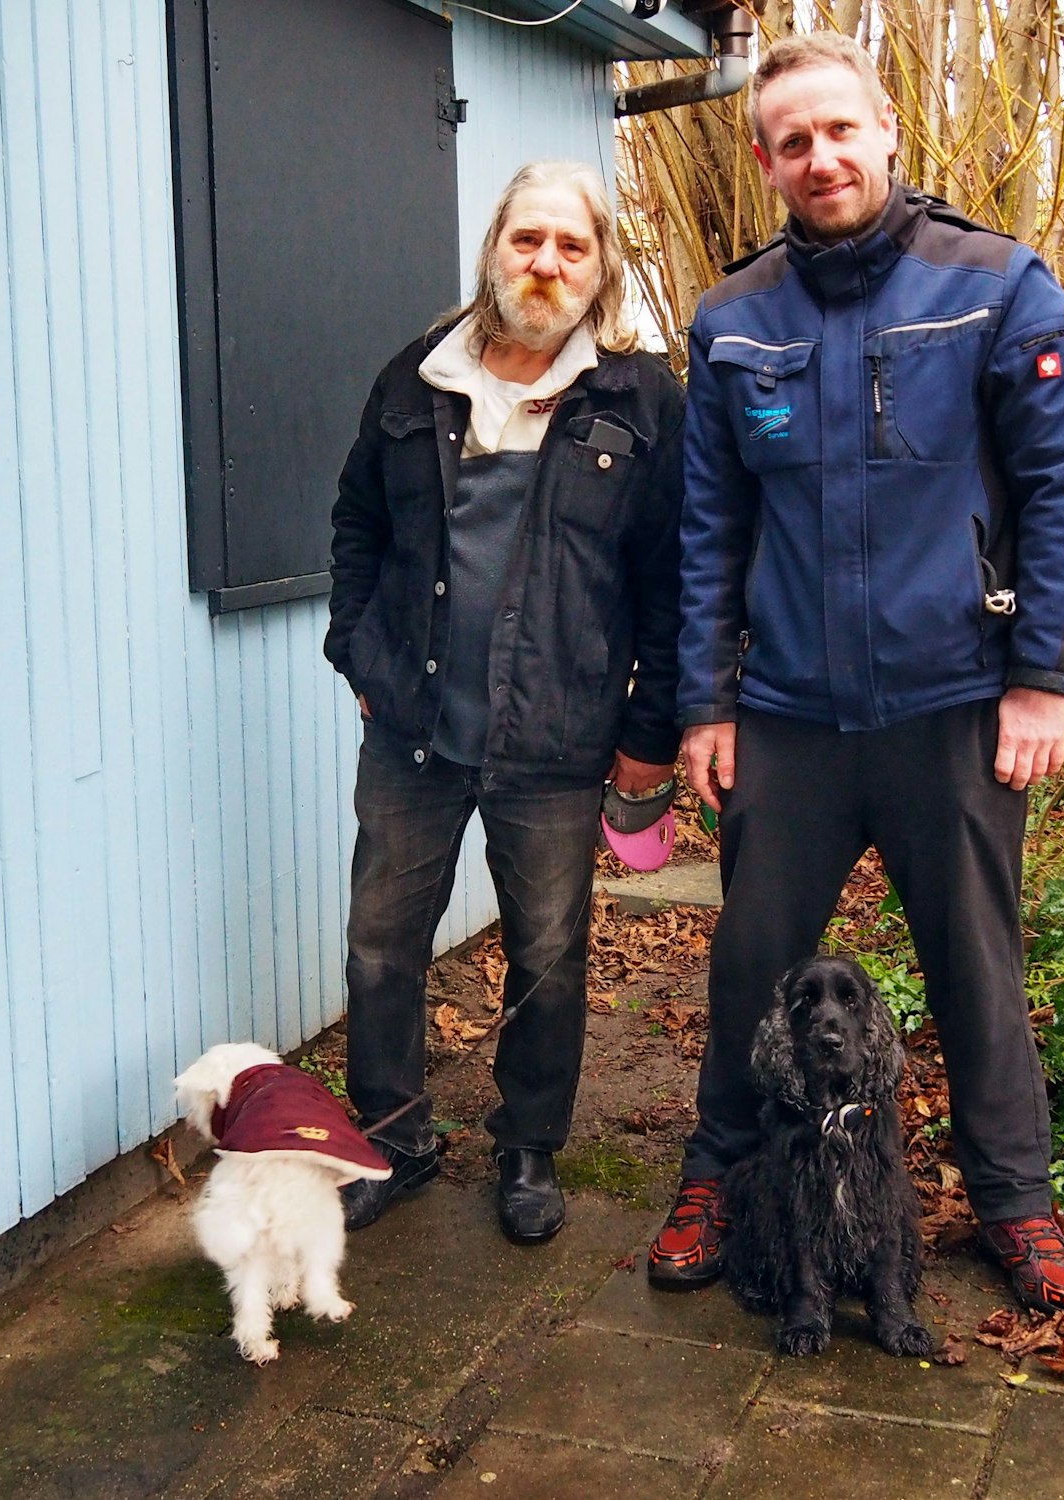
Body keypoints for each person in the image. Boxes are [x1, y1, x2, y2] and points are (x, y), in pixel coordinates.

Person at [647, 35, 1064, 1317]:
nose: (820, 158)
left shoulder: (995, 285)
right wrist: (704, 700)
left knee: (975, 968)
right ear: (763, 160)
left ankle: (1014, 1207)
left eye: (838, 131)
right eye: (792, 142)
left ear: (886, 128)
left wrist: (1040, 679)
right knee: (752, 968)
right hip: (786, 717)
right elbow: (708, 530)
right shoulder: (733, 319)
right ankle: (718, 1177)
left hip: (949, 706)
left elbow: (1060, 489)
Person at [324, 161, 684, 1244]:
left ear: (599, 265)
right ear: (494, 247)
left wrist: (646, 733)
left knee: (545, 955)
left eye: (570, 246)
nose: (545, 263)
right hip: (416, 732)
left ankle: (528, 1151)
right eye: (528, 240)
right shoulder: (412, 378)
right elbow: (356, 528)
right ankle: (390, 1139)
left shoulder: (638, 397)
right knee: (381, 946)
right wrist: (361, 654)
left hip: (557, 738)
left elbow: (672, 577)